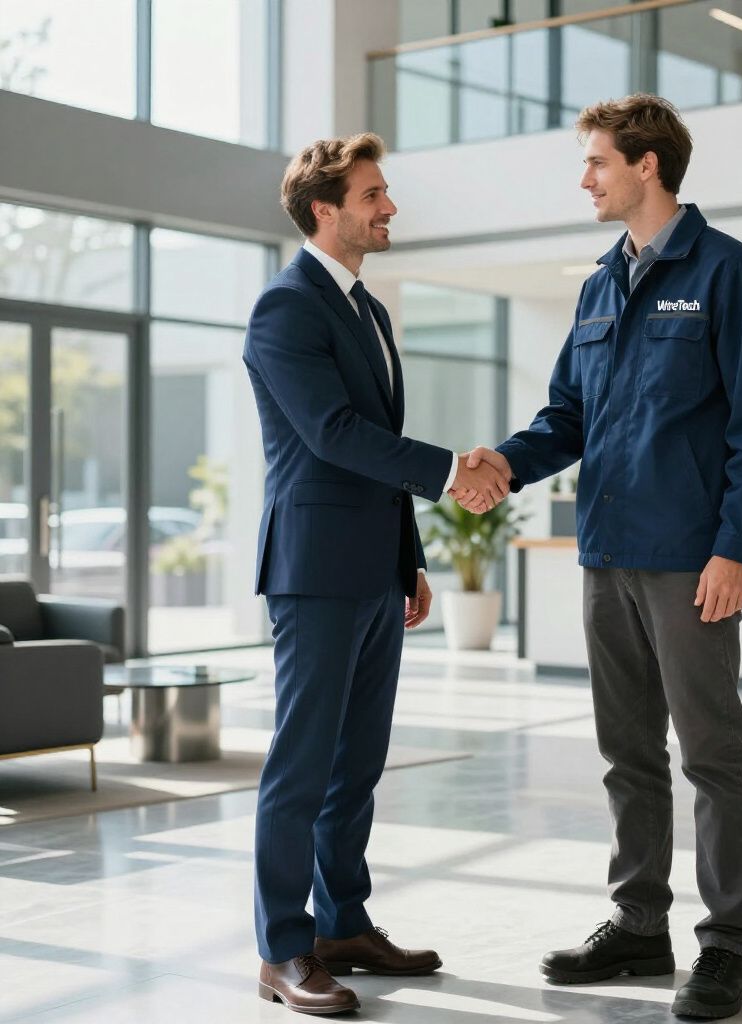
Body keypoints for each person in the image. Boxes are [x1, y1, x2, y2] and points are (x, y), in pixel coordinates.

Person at [458, 94, 742, 1020]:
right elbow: (568, 417)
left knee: (713, 753)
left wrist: (736, 550)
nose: (586, 179)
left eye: (597, 162)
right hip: (605, 553)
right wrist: (503, 465)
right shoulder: (600, 283)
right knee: (627, 752)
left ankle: (727, 947)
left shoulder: (728, 273)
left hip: (689, 561)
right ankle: (640, 923)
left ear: (647, 164)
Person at [243, 133, 509, 1015]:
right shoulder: (286, 309)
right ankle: (284, 949)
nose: (388, 207)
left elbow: (369, 452)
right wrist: (451, 473)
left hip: (371, 568)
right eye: (373, 195)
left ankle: (342, 923)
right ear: (325, 210)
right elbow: (333, 436)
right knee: (303, 764)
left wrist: (411, 559)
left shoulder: (370, 311)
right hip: (315, 571)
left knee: (357, 763)